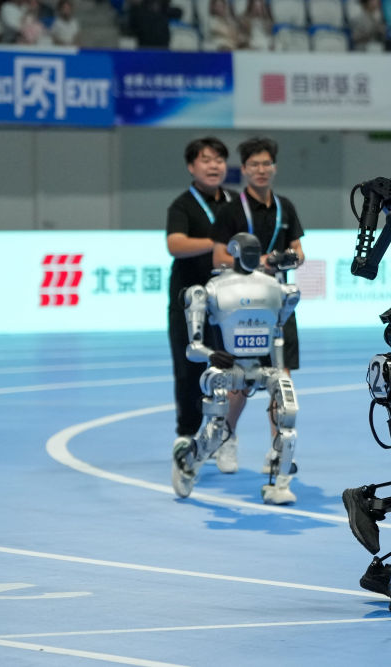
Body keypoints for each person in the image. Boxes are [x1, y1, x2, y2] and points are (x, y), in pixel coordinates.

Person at [212, 136, 305, 472]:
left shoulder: (285, 207)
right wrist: (257, 262)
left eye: (266, 163)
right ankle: (226, 438)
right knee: (239, 382)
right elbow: (218, 257)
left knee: (281, 381)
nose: (261, 170)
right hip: (241, 306)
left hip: (278, 307)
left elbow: (299, 252)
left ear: (274, 167)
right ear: (245, 169)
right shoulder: (231, 210)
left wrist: (287, 258)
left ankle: (278, 450)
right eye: (254, 165)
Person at [166, 138, 237, 471]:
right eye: (206, 160)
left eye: (219, 159)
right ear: (191, 166)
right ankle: (186, 434)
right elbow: (175, 244)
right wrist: (218, 243)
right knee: (189, 369)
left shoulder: (237, 202)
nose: (214, 166)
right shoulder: (182, 205)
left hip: (229, 302)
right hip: (189, 302)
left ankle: (224, 435)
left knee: (230, 369)